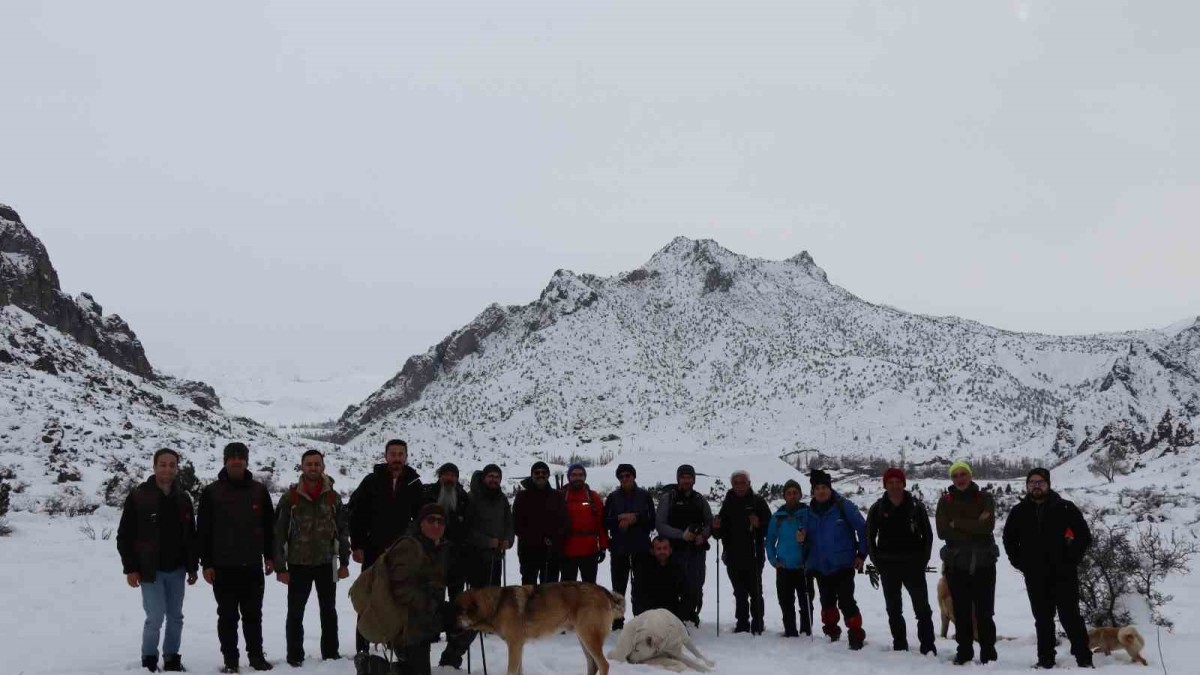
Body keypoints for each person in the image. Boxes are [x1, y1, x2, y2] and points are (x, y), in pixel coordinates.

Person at [1002, 468, 1094, 669]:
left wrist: (1070, 560)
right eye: (1032, 482)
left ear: (1048, 484)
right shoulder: (1019, 511)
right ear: (1027, 486)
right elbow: (1009, 539)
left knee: (1070, 617)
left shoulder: (1065, 508)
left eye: (1040, 482)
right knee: (1042, 619)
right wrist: (1020, 562)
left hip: (1064, 573)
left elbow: (1084, 536)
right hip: (1035, 575)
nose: (1036, 485)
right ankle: (1045, 659)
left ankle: (1084, 658)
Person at [117, 448, 199, 673]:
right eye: (163, 464)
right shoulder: (138, 496)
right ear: (154, 467)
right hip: (149, 570)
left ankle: (171, 656)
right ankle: (149, 658)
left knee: (176, 616)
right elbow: (124, 535)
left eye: (172, 465)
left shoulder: (183, 499)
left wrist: (192, 567)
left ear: (176, 469)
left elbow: (190, 536)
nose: (167, 469)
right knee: (155, 617)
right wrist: (131, 568)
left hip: (177, 569)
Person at [197, 442, 277, 673]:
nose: (236, 460)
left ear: (246, 460)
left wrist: (270, 556)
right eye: (231, 457)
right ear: (225, 461)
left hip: (252, 565)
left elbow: (268, 527)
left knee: (253, 615)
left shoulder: (259, 490)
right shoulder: (211, 492)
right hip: (222, 566)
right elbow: (203, 531)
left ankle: (256, 657)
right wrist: (207, 563)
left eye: (240, 457)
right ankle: (230, 660)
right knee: (227, 616)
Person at [273, 450, 351, 667]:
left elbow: (343, 531)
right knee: (295, 612)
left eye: (317, 464)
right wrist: (281, 567)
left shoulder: (333, 497)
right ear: (302, 467)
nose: (313, 468)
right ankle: (294, 656)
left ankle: (331, 654)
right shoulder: (291, 497)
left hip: (328, 562)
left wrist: (344, 562)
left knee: (329, 610)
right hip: (298, 564)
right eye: (309, 464)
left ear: (323, 467)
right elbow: (279, 532)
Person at [349, 439, 423, 661]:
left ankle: (396, 642)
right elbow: (356, 514)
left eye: (401, 454)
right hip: (373, 549)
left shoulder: (414, 483)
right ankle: (362, 645)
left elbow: (421, 518)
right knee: (369, 594)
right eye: (393, 454)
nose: (397, 458)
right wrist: (357, 544)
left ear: (406, 457)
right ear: (386, 456)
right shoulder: (371, 481)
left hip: (402, 552)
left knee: (399, 596)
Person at [866, 467, 935, 655]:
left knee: (922, 609)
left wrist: (923, 560)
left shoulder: (915, 506)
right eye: (890, 483)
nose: (895, 486)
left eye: (898, 482)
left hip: (913, 564)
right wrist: (877, 562)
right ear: (885, 485)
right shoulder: (877, 508)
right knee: (894, 609)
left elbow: (927, 535)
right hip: (888, 566)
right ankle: (899, 644)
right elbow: (869, 538)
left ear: (904, 484)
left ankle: (928, 645)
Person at [936, 460, 999, 666]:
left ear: (970, 476)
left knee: (985, 612)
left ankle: (988, 652)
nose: (960, 478)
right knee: (961, 611)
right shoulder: (945, 501)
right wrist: (975, 523)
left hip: (984, 564)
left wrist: (958, 523)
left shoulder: (985, 497)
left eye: (963, 474)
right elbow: (943, 531)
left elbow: (988, 526)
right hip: (957, 564)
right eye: (955, 475)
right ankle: (964, 651)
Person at [382, 503, 455, 675]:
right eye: (431, 520)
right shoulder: (409, 547)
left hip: (427, 615)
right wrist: (430, 604)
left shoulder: (441, 547)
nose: (436, 525)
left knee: (469, 616)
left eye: (440, 521)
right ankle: (376, 669)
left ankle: (450, 660)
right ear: (420, 523)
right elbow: (400, 590)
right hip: (407, 622)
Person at [804, 469, 868, 650]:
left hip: (843, 564)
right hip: (820, 566)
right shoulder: (809, 513)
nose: (821, 491)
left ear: (830, 488)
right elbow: (806, 538)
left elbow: (863, 530)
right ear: (813, 491)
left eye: (824, 487)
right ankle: (831, 631)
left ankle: (855, 633)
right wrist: (801, 540)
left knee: (847, 601)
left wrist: (861, 554)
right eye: (817, 488)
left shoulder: (844, 506)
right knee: (827, 602)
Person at [421, 463, 476, 670]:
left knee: (458, 600)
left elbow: (470, 525)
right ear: (440, 476)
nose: (449, 478)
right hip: (432, 558)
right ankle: (431, 634)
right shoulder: (429, 493)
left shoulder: (462, 497)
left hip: (457, 558)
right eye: (446, 474)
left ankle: (454, 637)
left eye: (453, 475)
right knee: (432, 597)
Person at [712, 470, 772, 635]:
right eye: (736, 483)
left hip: (754, 554)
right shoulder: (728, 503)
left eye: (742, 482)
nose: (739, 486)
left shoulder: (758, 502)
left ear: (749, 483)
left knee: (755, 591)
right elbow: (719, 533)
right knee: (739, 592)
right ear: (732, 485)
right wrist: (715, 527)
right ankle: (742, 623)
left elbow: (769, 528)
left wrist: (758, 524)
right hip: (733, 555)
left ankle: (758, 623)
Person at [655, 464, 713, 627]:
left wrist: (703, 535)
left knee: (695, 583)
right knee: (674, 583)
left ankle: (691, 613)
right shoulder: (669, 498)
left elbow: (709, 522)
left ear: (694, 479)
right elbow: (660, 524)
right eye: (683, 477)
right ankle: (673, 616)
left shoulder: (699, 499)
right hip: (674, 550)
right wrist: (681, 535)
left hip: (696, 550)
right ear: (678, 479)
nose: (686, 480)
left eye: (689, 477)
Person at [604, 463, 656, 629]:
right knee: (618, 589)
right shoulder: (612, 497)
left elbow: (652, 521)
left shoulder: (645, 496)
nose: (625, 479)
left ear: (634, 476)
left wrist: (636, 519)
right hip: (619, 548)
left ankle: (640, 620)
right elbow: (605, 521)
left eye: (628, 475)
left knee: (641, 586)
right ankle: (617, 622)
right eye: (622, 476)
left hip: (641, 547)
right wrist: (619, 519)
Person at [766, 479, 812, 637]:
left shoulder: (808, 514)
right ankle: (790, 630)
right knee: (786, 602)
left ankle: (807, 631)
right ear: (784, 496)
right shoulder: (778, 517)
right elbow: (770, 540)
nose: (792, 496)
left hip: (803, 566)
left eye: (795, 493)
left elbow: (815, 537)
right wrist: (773, 560)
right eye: (789, 493)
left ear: (800, 494)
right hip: (784, 567)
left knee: (806, 602)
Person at [513, 461, 566, 584]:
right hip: (528, 550)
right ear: (532, 475)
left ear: (548, 475)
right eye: (537, 472)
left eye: (544, 472)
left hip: (551, 551)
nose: (540, 475)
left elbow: (564, 521)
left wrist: (554, 538)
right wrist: (536, 538)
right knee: (528, 590)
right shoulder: (522, 496)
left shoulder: (557, 496)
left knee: (549, 591)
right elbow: (516, 523)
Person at [560, 463, 608, 583]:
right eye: (574, 475)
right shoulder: (561, 496)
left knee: (590, 589)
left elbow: (601, 524)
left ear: (585, 477)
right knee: (567, 591)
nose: (577, 478)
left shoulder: (593, 497)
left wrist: (603, 546)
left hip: (589, 551)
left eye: (580, 475)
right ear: (569, 477)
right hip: (567, 551)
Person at [634, 536, 688, 622]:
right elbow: (638, 596)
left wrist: (680, 617)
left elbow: (685, 594)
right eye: (658, 549)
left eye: (665, 548)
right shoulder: (644, 569)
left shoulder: (677, 568)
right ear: (652, 551)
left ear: (670, 550)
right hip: (650, 615)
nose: (662, 551)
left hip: (672, 615)